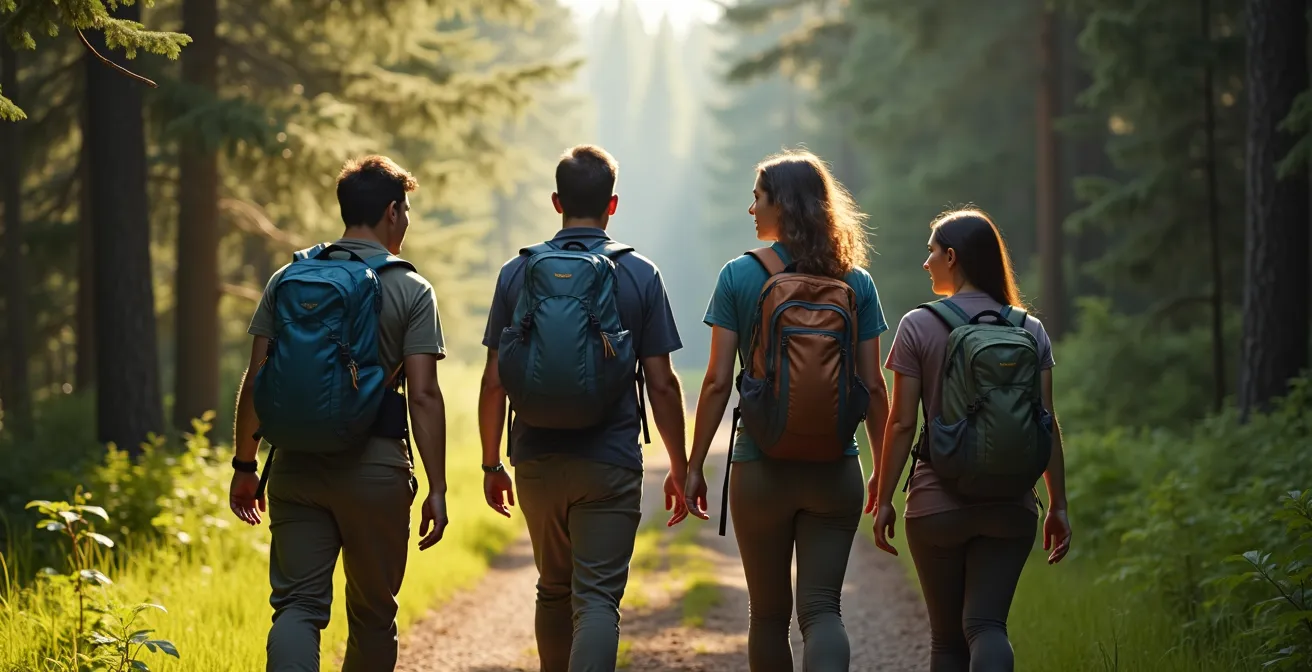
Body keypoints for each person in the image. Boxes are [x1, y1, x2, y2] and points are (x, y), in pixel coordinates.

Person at [228, 155, 450, 672]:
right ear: (393, 212)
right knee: (373, 616)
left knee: (297, 609)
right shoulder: (411, 289)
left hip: (295, 467)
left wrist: (245, 466)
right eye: (407, 209)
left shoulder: (289, 277)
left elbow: (257, 378)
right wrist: (437, 487)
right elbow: (423, 396)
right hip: (374, 469)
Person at [477, 144, 690, 672]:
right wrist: (681, 467)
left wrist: (489, 463)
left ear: (556, 201)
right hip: (609, 458)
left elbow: (493, 382)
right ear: (611, 205)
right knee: (596, 600)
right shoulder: (640, 273)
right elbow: (662, 385)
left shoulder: (516, 272)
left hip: (535, 457)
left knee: (553, 588)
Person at [684, 149, 891, 672]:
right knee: (823, 611)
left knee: (769, 618)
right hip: (834, 467)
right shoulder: (856, 282)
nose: (750, 208)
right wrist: (884, 476)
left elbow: (714, 383)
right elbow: (873, 388)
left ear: (784, 205)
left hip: (760, 466)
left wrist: (692, 467)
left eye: (758, 198)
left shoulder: (738, 276)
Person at [871, 208, 1073, 671]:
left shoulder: (918, 325)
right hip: (1011, 506)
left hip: (936, 504)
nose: (927, 263)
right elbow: (1046, 421)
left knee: (947, 642)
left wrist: (883, 496)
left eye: (932, 252)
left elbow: (901, 424)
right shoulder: (1029, 328)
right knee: (987, 626)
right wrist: (1058, 504)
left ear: (953, 256)